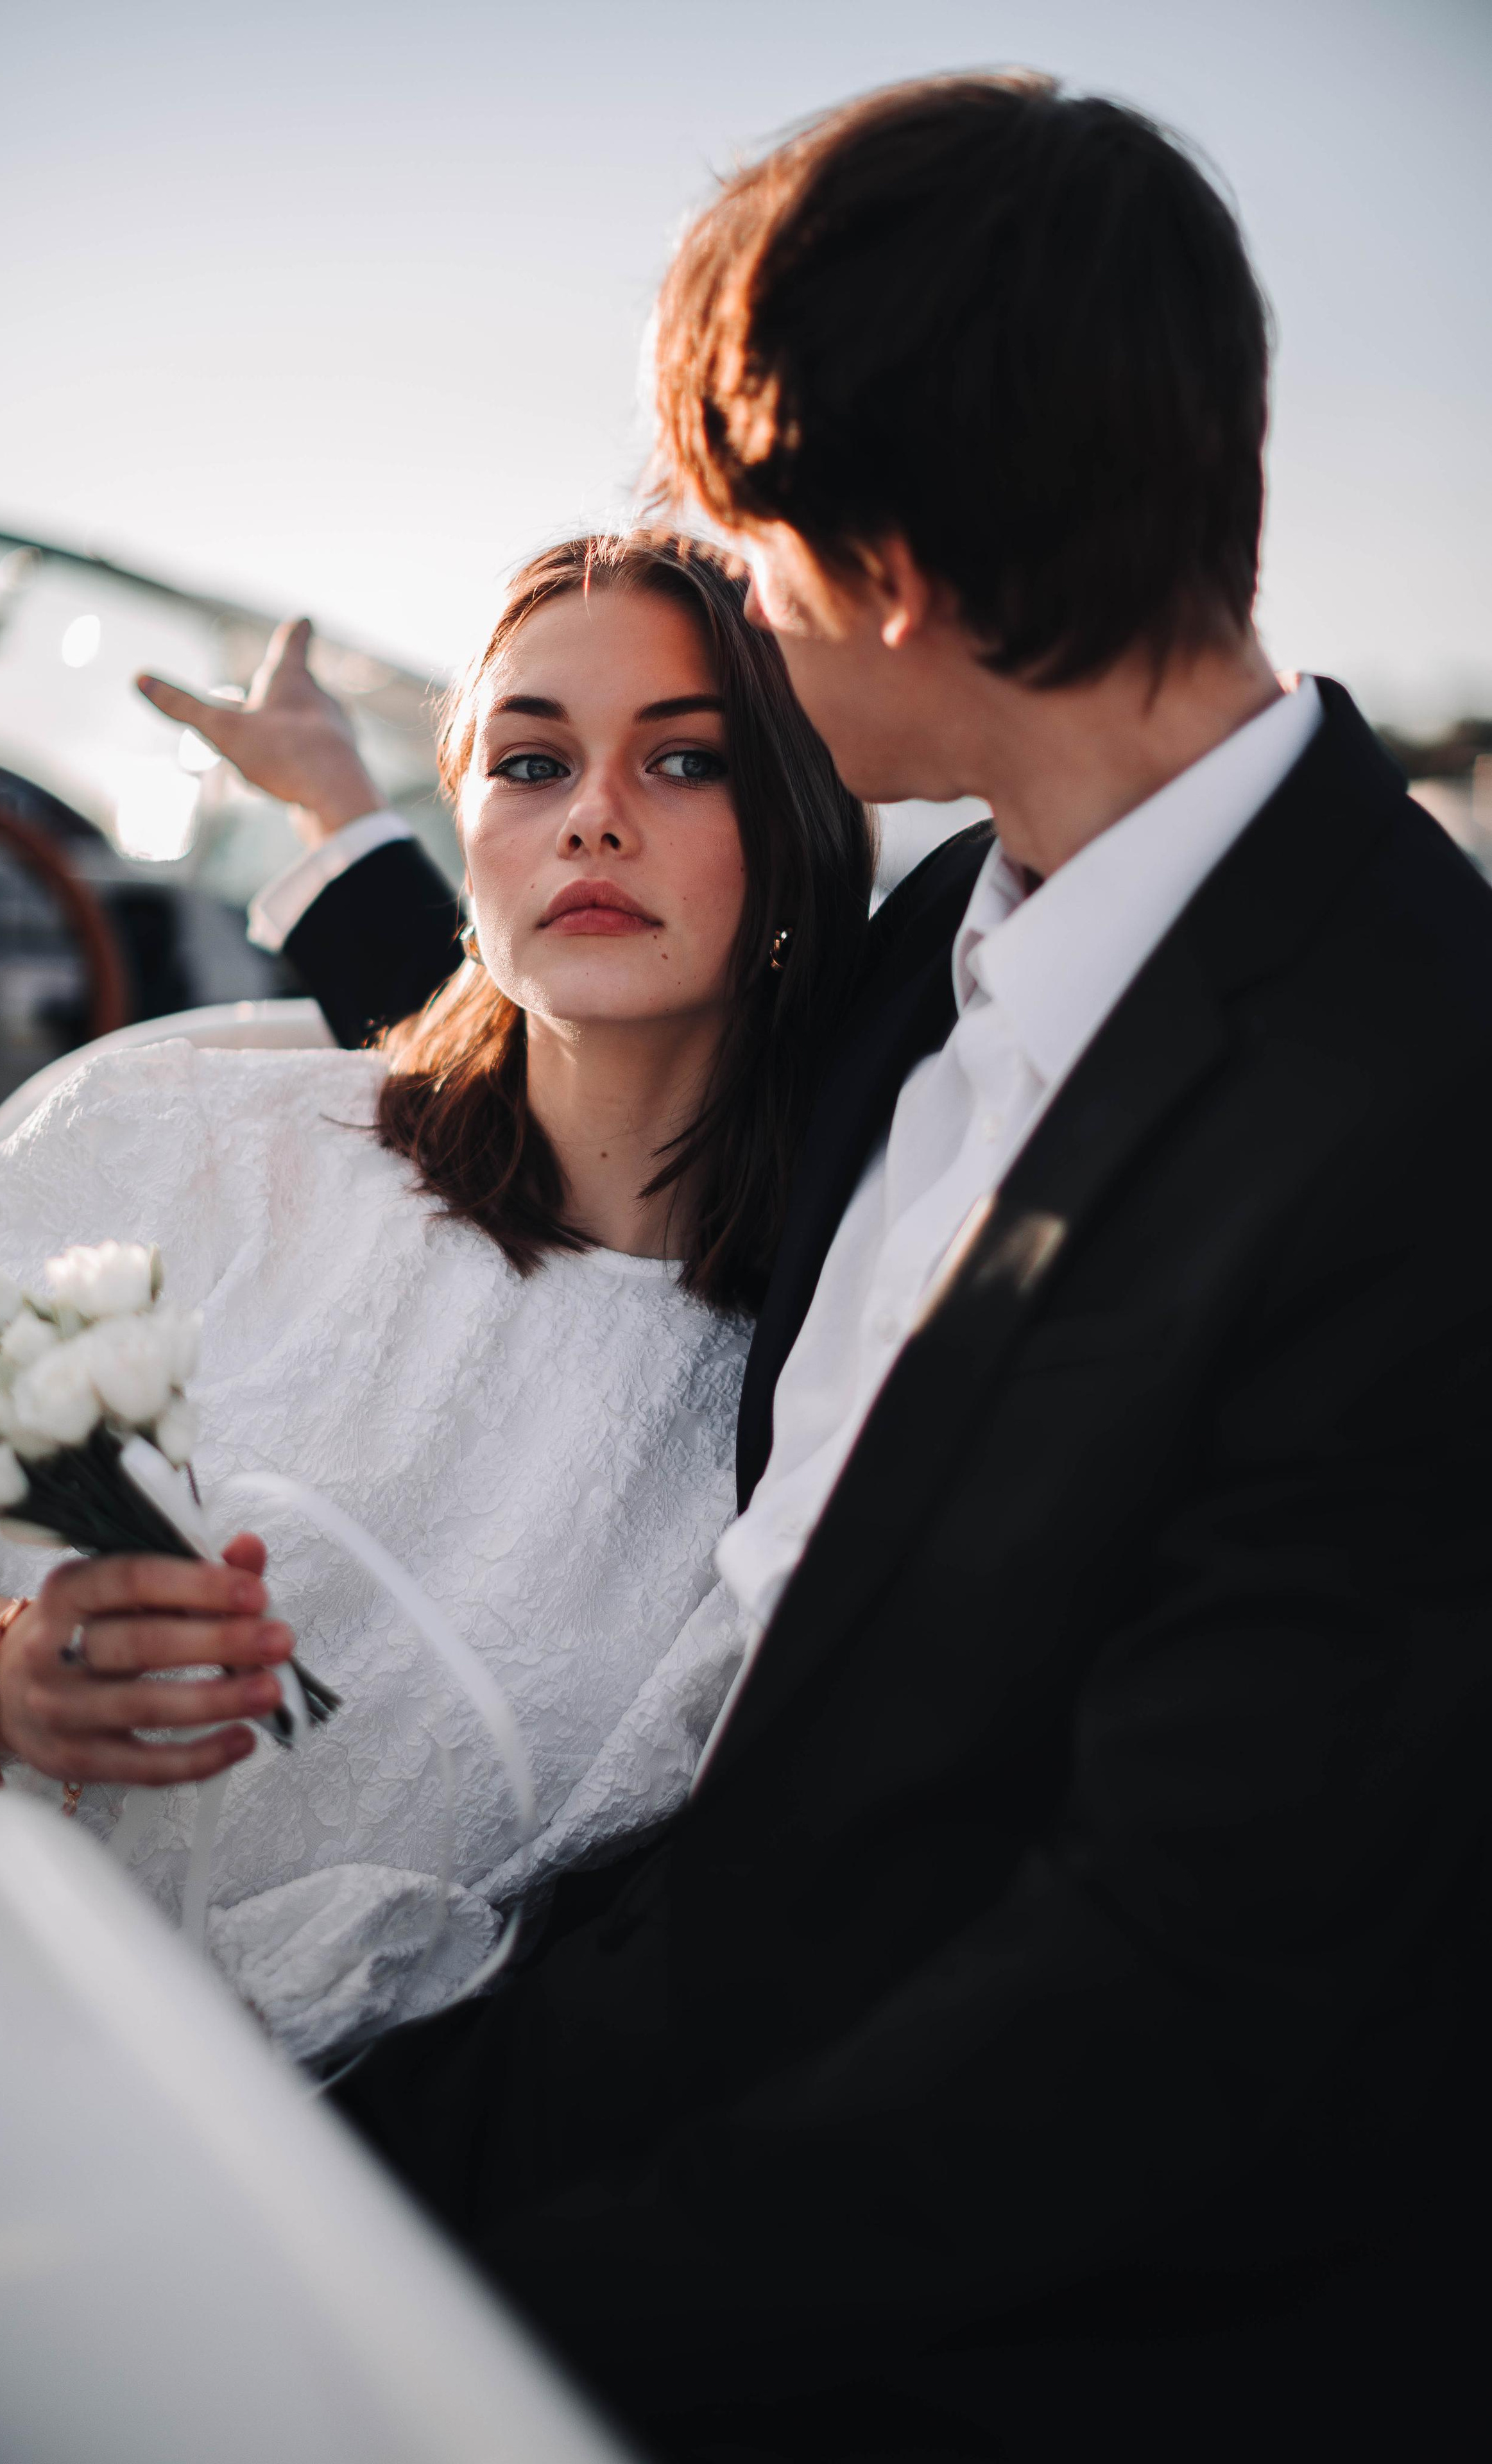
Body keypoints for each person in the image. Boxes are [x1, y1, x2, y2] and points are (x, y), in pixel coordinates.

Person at [189, 74, 1492, 2463]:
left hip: (911, 2307)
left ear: (885, 566)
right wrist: (360, 833)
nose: (744, 612)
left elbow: (1166, 2000)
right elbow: (607, 1059)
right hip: (568, 2043)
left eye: (753, 550)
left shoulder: (1426, 1113)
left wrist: (448, 2354)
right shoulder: (932, 953)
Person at [0, 533, 873, 2067]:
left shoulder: (804, 1401)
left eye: (683, 763)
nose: (592, 817)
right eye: (530, 764)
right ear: (464, 827)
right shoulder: (179, 1149)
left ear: (791, 822)